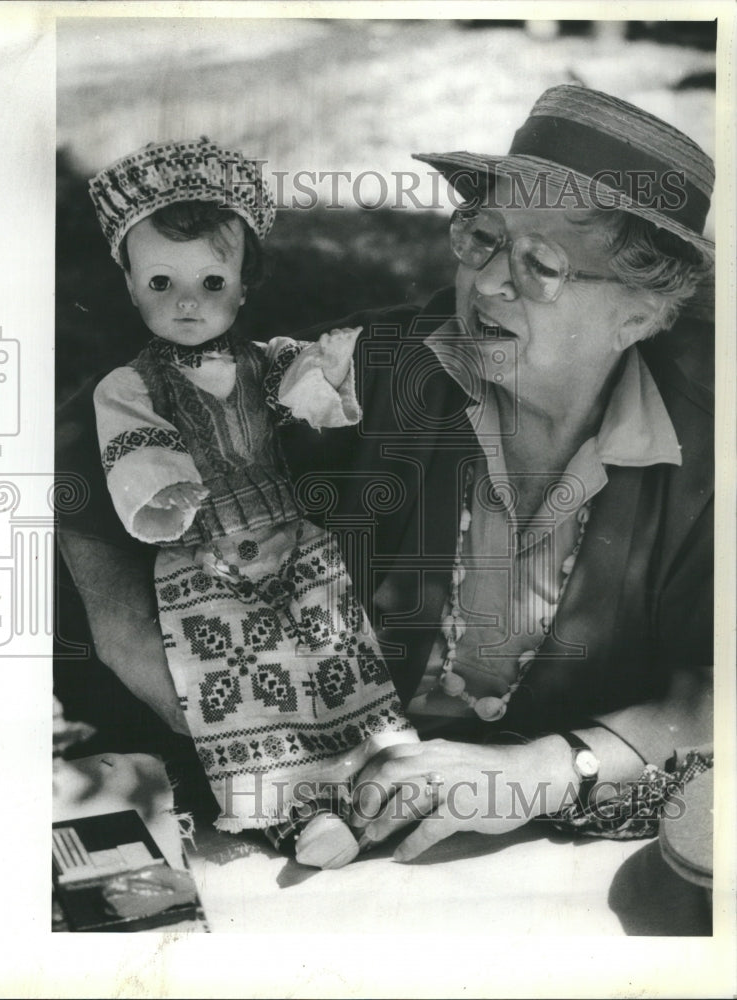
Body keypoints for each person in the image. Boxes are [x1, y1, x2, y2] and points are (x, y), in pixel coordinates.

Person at [57, 86, 714, 868]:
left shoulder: (705, 442)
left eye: (541, 264)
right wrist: (127, 632)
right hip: (311, 829)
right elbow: (89, 441)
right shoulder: (388, 368)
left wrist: (548, 767)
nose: (490, 283)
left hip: (539, 861)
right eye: (482, 238)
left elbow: (713, 687)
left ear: (639, 313)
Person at [85, 136, 417, 869]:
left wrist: (322, 376)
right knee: (245, 686)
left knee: (332, 657)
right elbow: (133, 451)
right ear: (131, 287)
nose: (185, 302)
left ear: (243, 286)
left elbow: (315, 405)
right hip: (203, 558)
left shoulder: (262, 363)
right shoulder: (132, 385)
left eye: (210, 282)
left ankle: (375, 773)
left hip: (294, 545)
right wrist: (165, 488)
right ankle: (295, 816)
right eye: (160, 282)